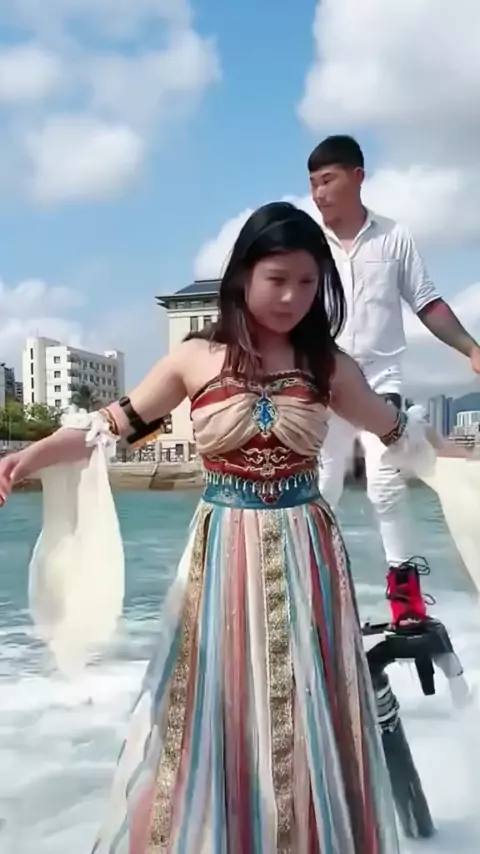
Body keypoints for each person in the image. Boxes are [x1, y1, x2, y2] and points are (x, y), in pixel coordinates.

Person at [0, 202, 447, 853]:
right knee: (215, 701)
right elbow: (107, 428)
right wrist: (29, 457)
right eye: (277, 279)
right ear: (243, 276)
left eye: (307, 281)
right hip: (222, 551)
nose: (292, 296)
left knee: (306, 701)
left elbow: (400, 435)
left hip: (308, 553)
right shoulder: (195, 358)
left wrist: (458, 465)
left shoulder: (328, 366)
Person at [307, 134, 480, 625]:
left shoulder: (393, 236)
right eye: (313, 183)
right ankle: (311, 587)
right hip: (325, 381)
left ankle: (405, 599)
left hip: (380, 381)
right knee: (322, 486)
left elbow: (427, 302)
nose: (318, 193)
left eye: (327, 180)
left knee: (385, 481)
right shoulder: (308, 243)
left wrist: (471, 348)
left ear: (357, 177)